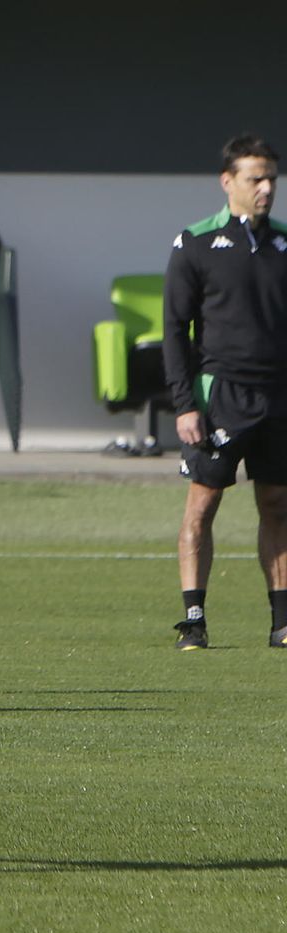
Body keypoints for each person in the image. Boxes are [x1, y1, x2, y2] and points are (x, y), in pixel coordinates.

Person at [163, 133, 287, 652]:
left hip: (278, 396)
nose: (266, 189)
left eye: (271, 179)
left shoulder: (284, 243)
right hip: (221, 396)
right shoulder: (195, 242)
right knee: (203, 505)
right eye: (256, 179)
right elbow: (175, 330)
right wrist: (184, 405)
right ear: (227, 182)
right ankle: (194, 619)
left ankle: (282, 623)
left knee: (277, 505)